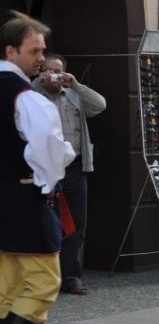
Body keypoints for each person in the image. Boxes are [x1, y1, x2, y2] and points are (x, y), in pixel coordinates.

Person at [0, 11, 75, 324]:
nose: (42, 58)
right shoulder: (26, 97)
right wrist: (46, 182)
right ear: (11, 51)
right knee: (45, 282)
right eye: (35, 50)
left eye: (42, 50)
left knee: (8, 284)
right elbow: (49, 150)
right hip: (25, 200)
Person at [32, 52, 106, 296]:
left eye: (59, 71)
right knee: (42, 222)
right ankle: (43, 280)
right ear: (42, 72)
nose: (54, 76)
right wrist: (36, 82)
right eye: (49, 71)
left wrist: (76, 84)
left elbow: (100, 105)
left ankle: (72, 278)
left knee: (76, 224)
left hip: (74, 166)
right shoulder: (33, 96)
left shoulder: (74, 95)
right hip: (42, 167)